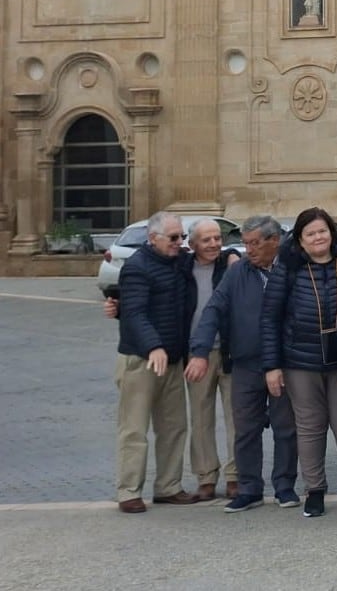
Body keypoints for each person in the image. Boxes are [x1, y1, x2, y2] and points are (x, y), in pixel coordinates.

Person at [261, 206, 337, 518]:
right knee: (309, 427)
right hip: (300, 360)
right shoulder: (287, 269)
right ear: (300, 240)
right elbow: (270, 318)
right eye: (311, 233)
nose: (318, 237)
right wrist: (272, 366)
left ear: (332, 233)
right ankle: (315, 489)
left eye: (322, 231)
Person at [189, 216, 298, 513]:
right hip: (245, 364)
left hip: (285, 363)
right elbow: (214, 308)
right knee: (245, 429)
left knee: (285, 427)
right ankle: (249, 488)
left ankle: (285, 486)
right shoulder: (237, 273)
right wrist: (200, 350)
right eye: (246, 243)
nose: (248, 249)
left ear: (274, 241)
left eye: (254, 243)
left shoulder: (291, 269)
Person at [113, 212, 202, 512]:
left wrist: (228, 255)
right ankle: (128, 491)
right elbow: (135, 313)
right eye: (174, 238)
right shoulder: (137, 267)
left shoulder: (180, 261)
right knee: (134, 429)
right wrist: (154, 346)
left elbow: (210, 253)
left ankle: (168, 486)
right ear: (153, 239)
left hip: (173, 360)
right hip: (142, 360)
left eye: (182, 237)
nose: (181, 243)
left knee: (174, 426)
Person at [181, 218, 239, 502]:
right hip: (196, 355)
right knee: (200, 418)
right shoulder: (181, 268)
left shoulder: (230, 264)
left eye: (217, 238)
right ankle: (205, 477)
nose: (214, 243)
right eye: (207, 240)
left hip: (229, 350)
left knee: (235, 417)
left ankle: (235, 477)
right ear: (192, 244)